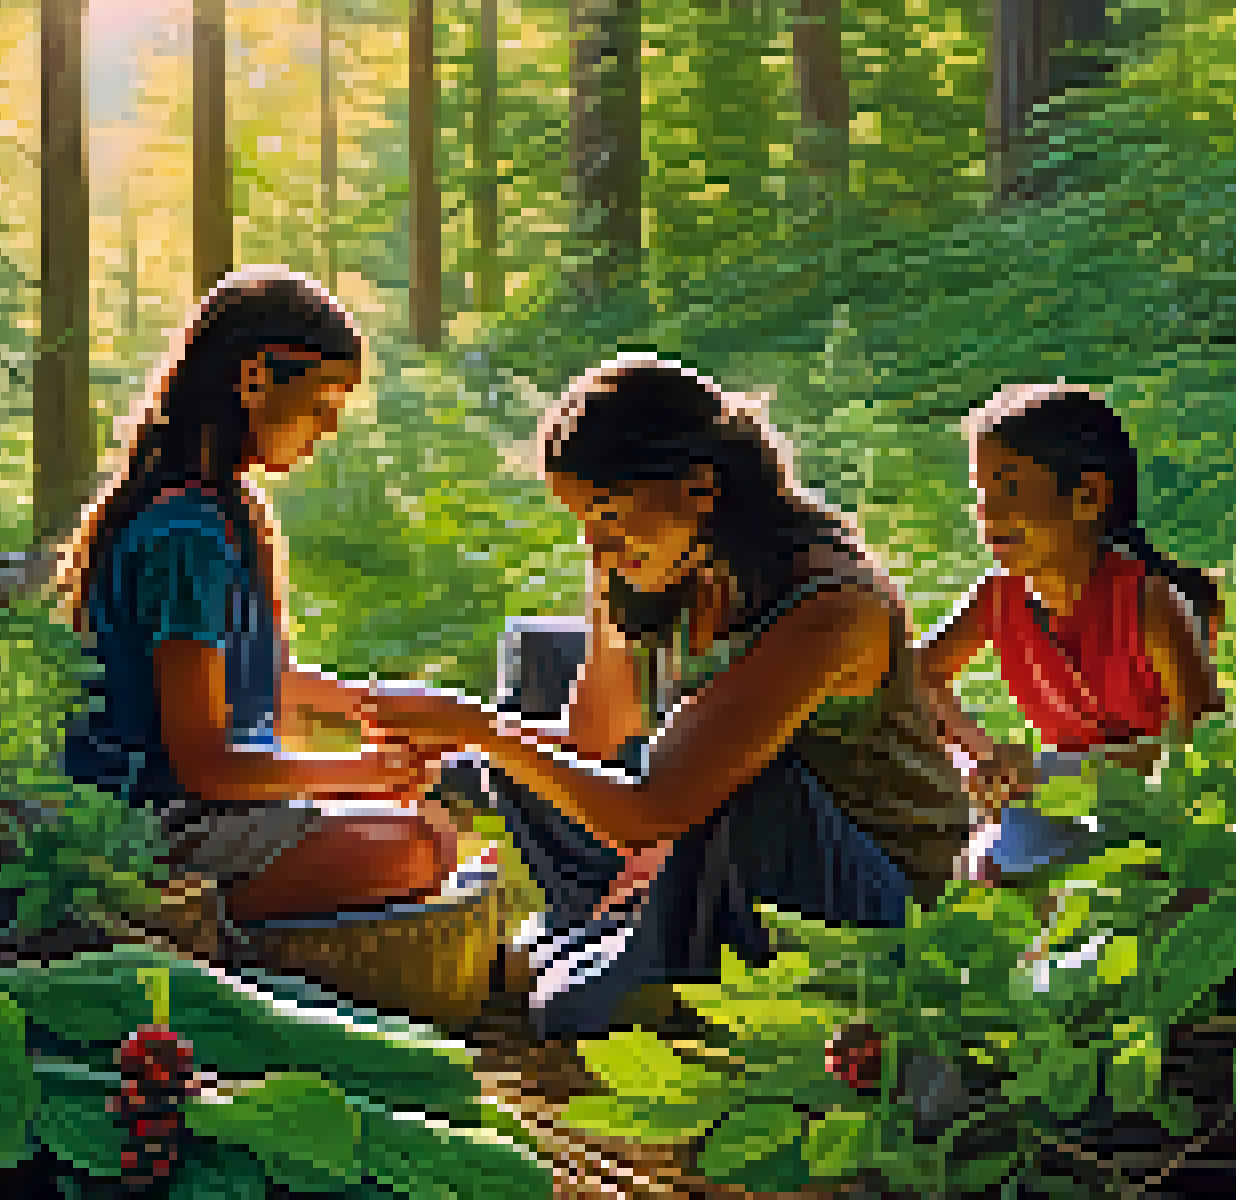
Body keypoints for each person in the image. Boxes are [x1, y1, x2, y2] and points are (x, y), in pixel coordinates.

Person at [361, 356, 922, 1038]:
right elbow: (593, 744)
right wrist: (463, 748)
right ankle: (626, 937)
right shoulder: (668, 567)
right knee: (540, 662)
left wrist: (479, 730)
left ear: (700, 490)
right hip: (698, 842)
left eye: (607, 515)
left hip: (856, 892)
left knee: (575, 1005)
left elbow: (651, 811)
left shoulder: (830, 609)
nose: (596, 547)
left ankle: (645, 956)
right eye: (581, 522)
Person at [54, 267, 458, 939]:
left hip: (211, 809)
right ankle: (156, 916)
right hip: (149, 823)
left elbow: (262, 678)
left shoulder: (234, 508)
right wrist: (359, 772)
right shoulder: (185, 535)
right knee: (412, 847)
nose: (331, 424)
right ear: (253, 379)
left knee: (431, 833)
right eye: (323, 400)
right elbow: (205, 765)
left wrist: (375, 707)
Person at [917, 384, 1224, 880]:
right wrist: (988, 757)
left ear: (1087, 498)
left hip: (1162, 809)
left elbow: (1207, 747)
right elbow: (918, 679)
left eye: (1011, 488)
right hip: (1064, 802)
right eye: (982, 493)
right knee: (978, 872)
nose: (989, 514)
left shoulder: (1148, 603)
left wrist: (1057, 773)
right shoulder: (997, 598)